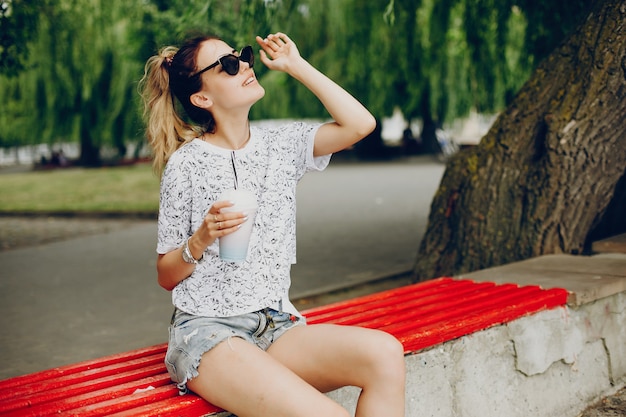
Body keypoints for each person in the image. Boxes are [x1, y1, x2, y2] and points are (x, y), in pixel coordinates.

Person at [139, 32, 405, 417]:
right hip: (207, 332)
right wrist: (200, 239)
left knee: (385, 353)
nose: (245, 65)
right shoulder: (186, 166)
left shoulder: (283, 146)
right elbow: (166, 274)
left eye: (242, 56)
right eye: (228, 65)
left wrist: (296, 65)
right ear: (202, 98)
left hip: (276, 325)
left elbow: (360, 124)